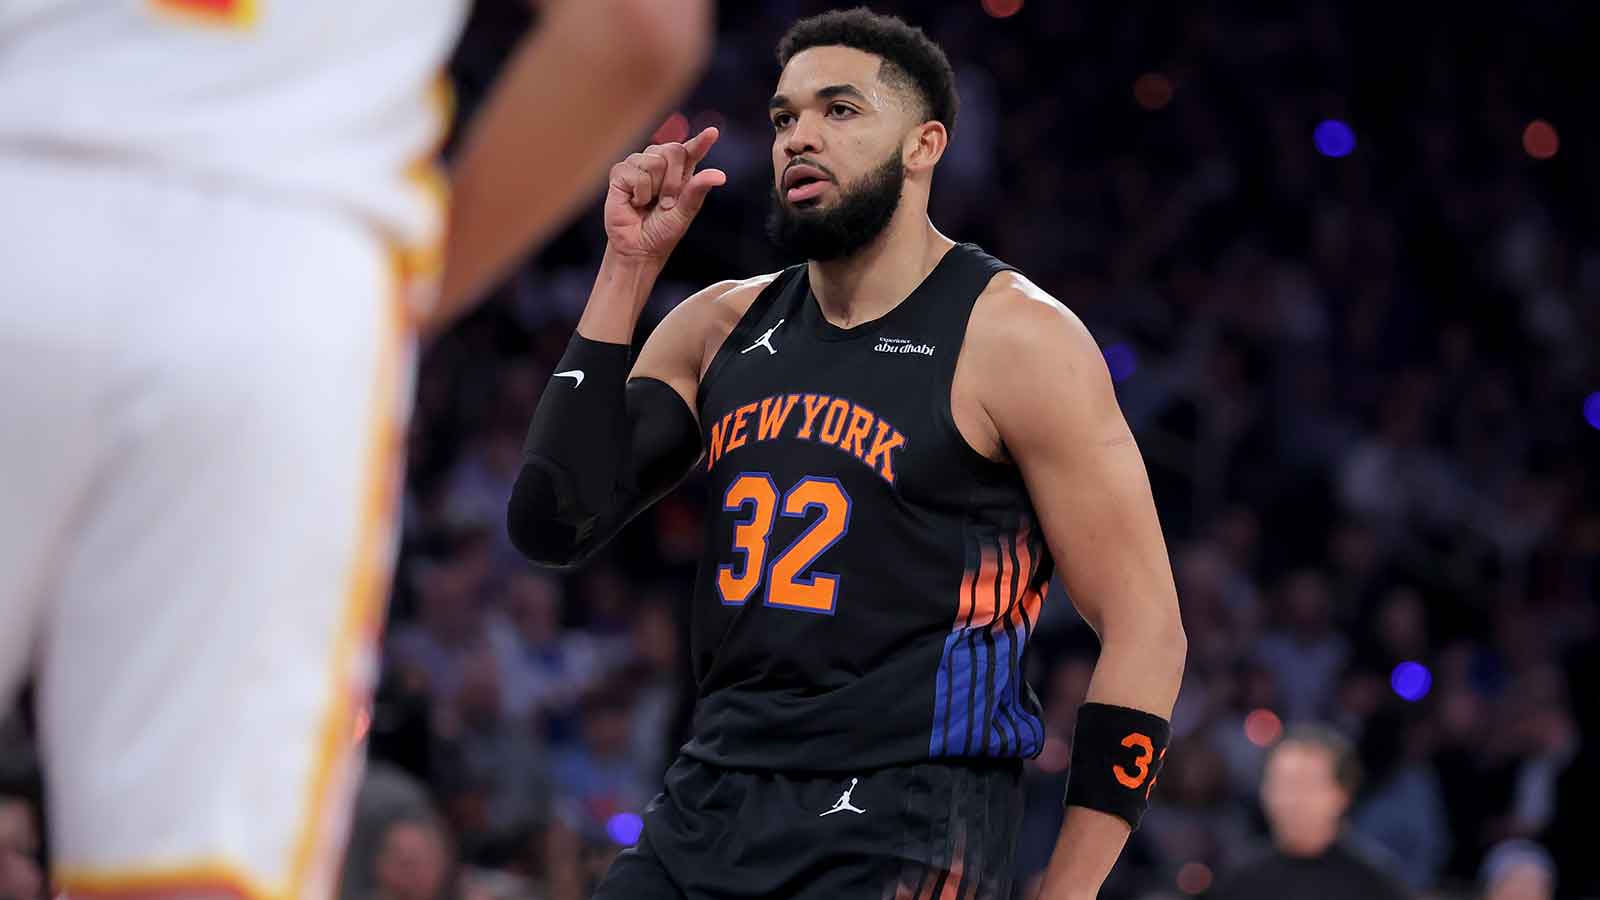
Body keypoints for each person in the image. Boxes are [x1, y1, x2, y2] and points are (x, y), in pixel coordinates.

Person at [0, 0, 712, 897]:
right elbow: (639, 29)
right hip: (293, 244)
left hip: (21, 165)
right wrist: (409, 299)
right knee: (186, 866)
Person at [506, 8, 1187, 898]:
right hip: (712, 796)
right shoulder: (719, 324)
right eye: (785, 117)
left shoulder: (1017, 338)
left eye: (840, 110)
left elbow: (1149, 629)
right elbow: (553, 520)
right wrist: (626, 269)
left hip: (905, 818)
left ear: (924, 145)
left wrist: (1067, 889)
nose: (800, 137)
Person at [1211, 725, 1409, 900]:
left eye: (1308, 784)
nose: (1294, 799)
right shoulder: (1238, 877)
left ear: (1342, 794)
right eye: (1283, 784)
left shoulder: (1376, 881)